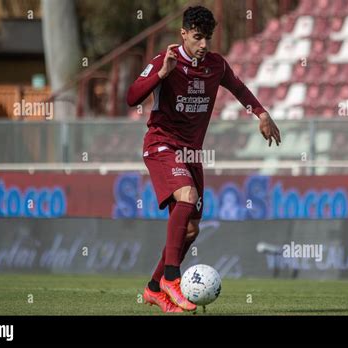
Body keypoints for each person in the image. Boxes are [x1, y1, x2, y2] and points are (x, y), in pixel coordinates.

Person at [126, 5, 281, 313]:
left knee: (192, 230)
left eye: (208, 38)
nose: (204, 44)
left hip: (191, 154)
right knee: (187, 195)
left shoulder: (215, 66)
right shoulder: (166, 60)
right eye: (197, 37)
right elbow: (131, 97)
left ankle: (154, 288)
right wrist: (161, 74)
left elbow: (239, 89)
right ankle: (172, 278)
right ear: (183, 34)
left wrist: (261, 113)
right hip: (161, 144)